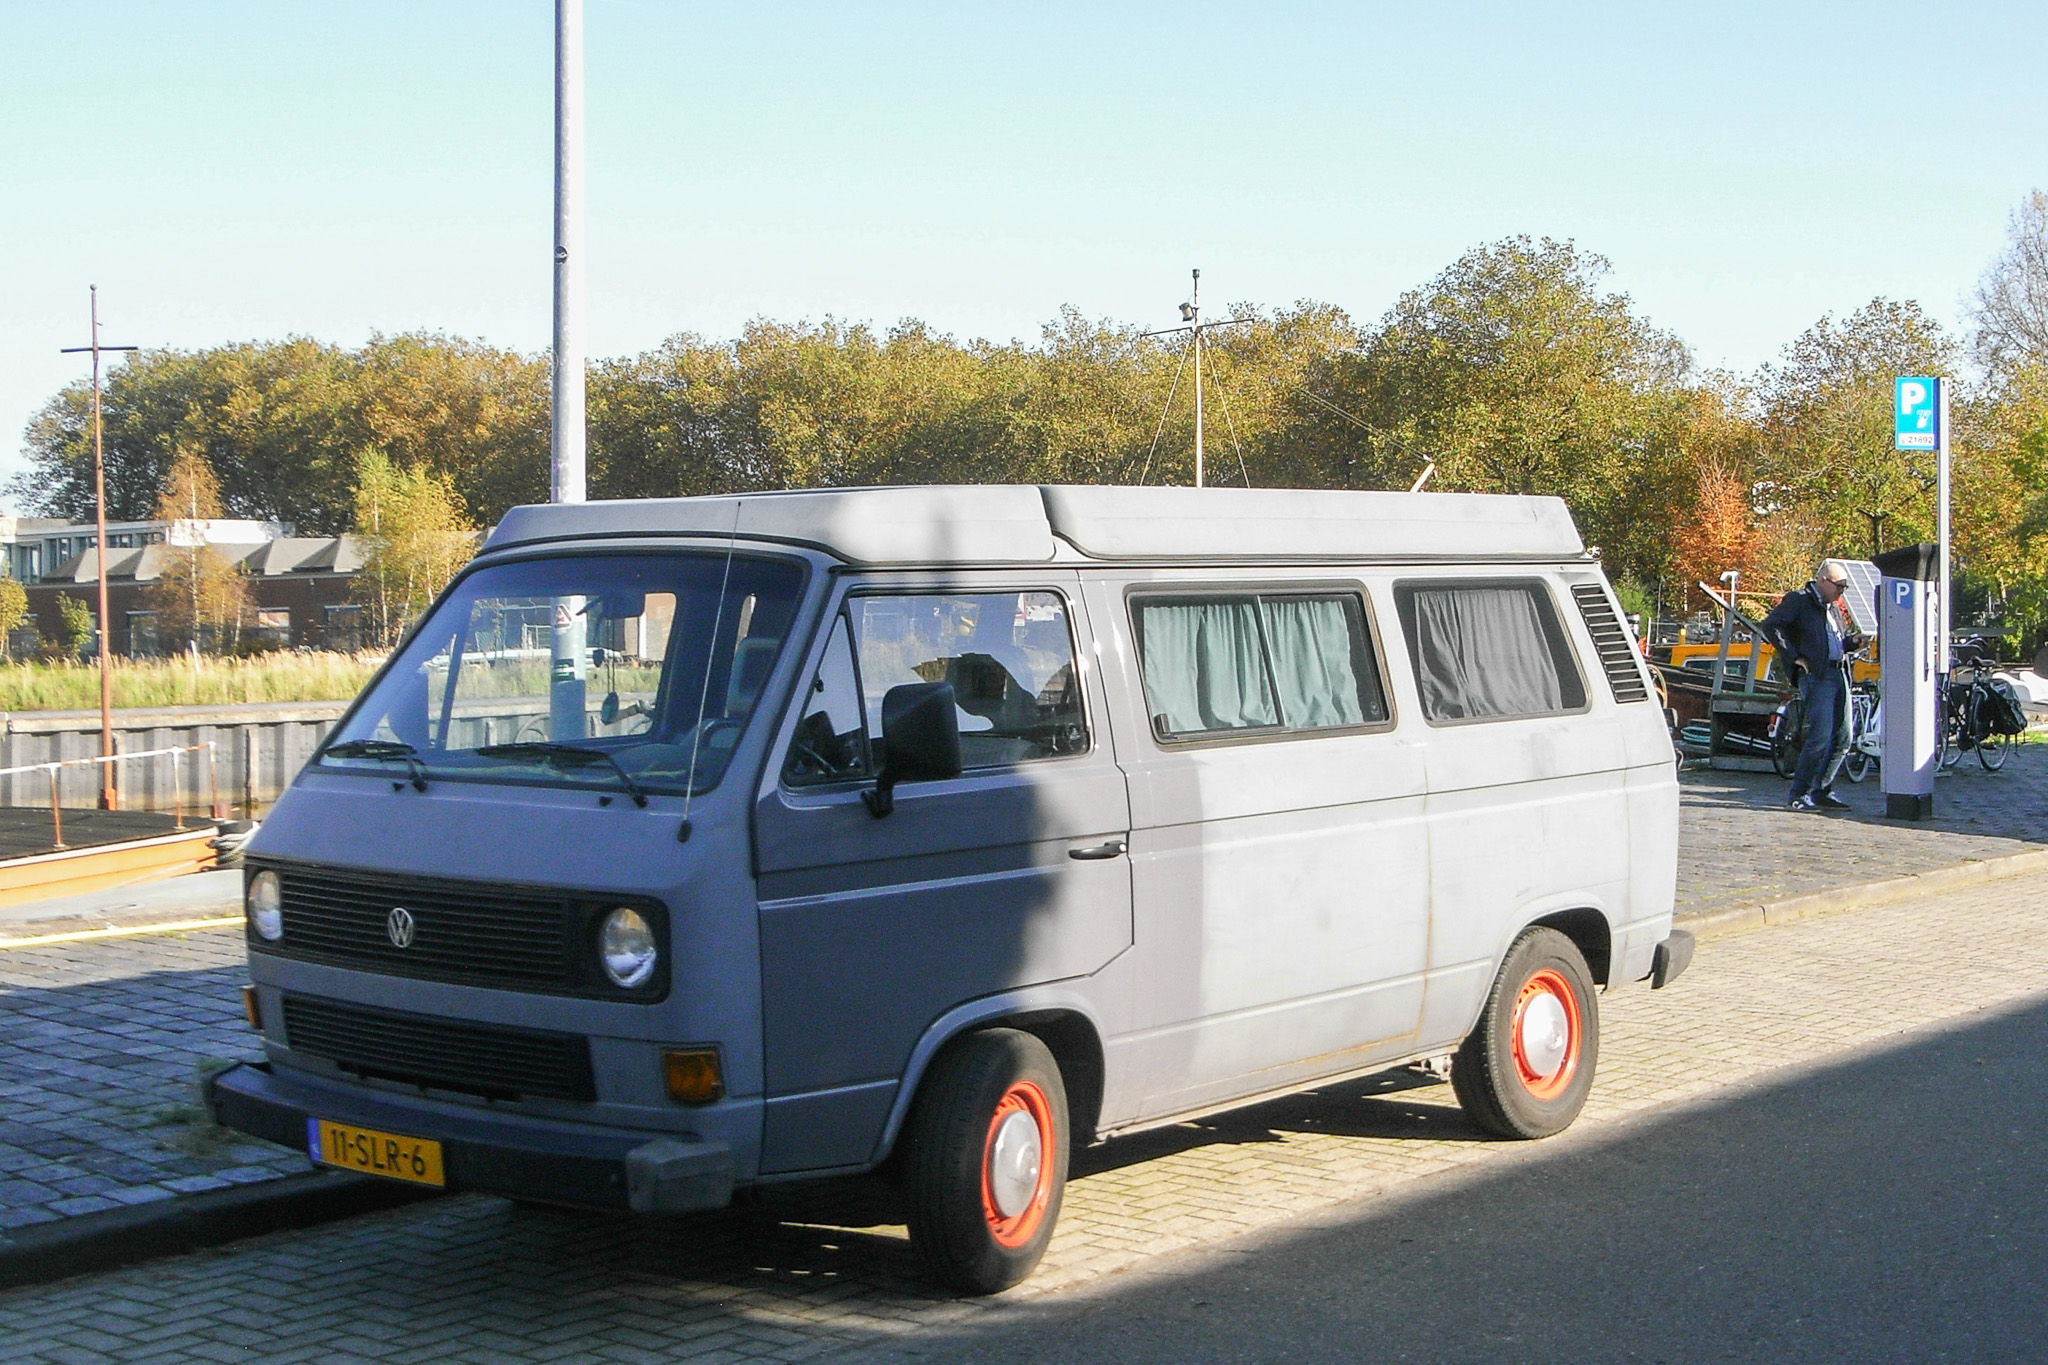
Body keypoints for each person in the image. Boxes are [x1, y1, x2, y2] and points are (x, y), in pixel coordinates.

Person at [1762, 561, 1865, 811]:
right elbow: (1771, 625)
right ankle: (1800, 794)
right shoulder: (1799, 601)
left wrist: (1852, 642)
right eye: (1839, 586)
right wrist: (1793, 656)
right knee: (1819, 736)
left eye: (1844, 587)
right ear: (1823, 581)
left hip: (1839, 672)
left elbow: (1836, 642)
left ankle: (1821, 791)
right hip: (1817, 676)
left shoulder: (1833, 608)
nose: (1841, 592)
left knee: (1843, 737)